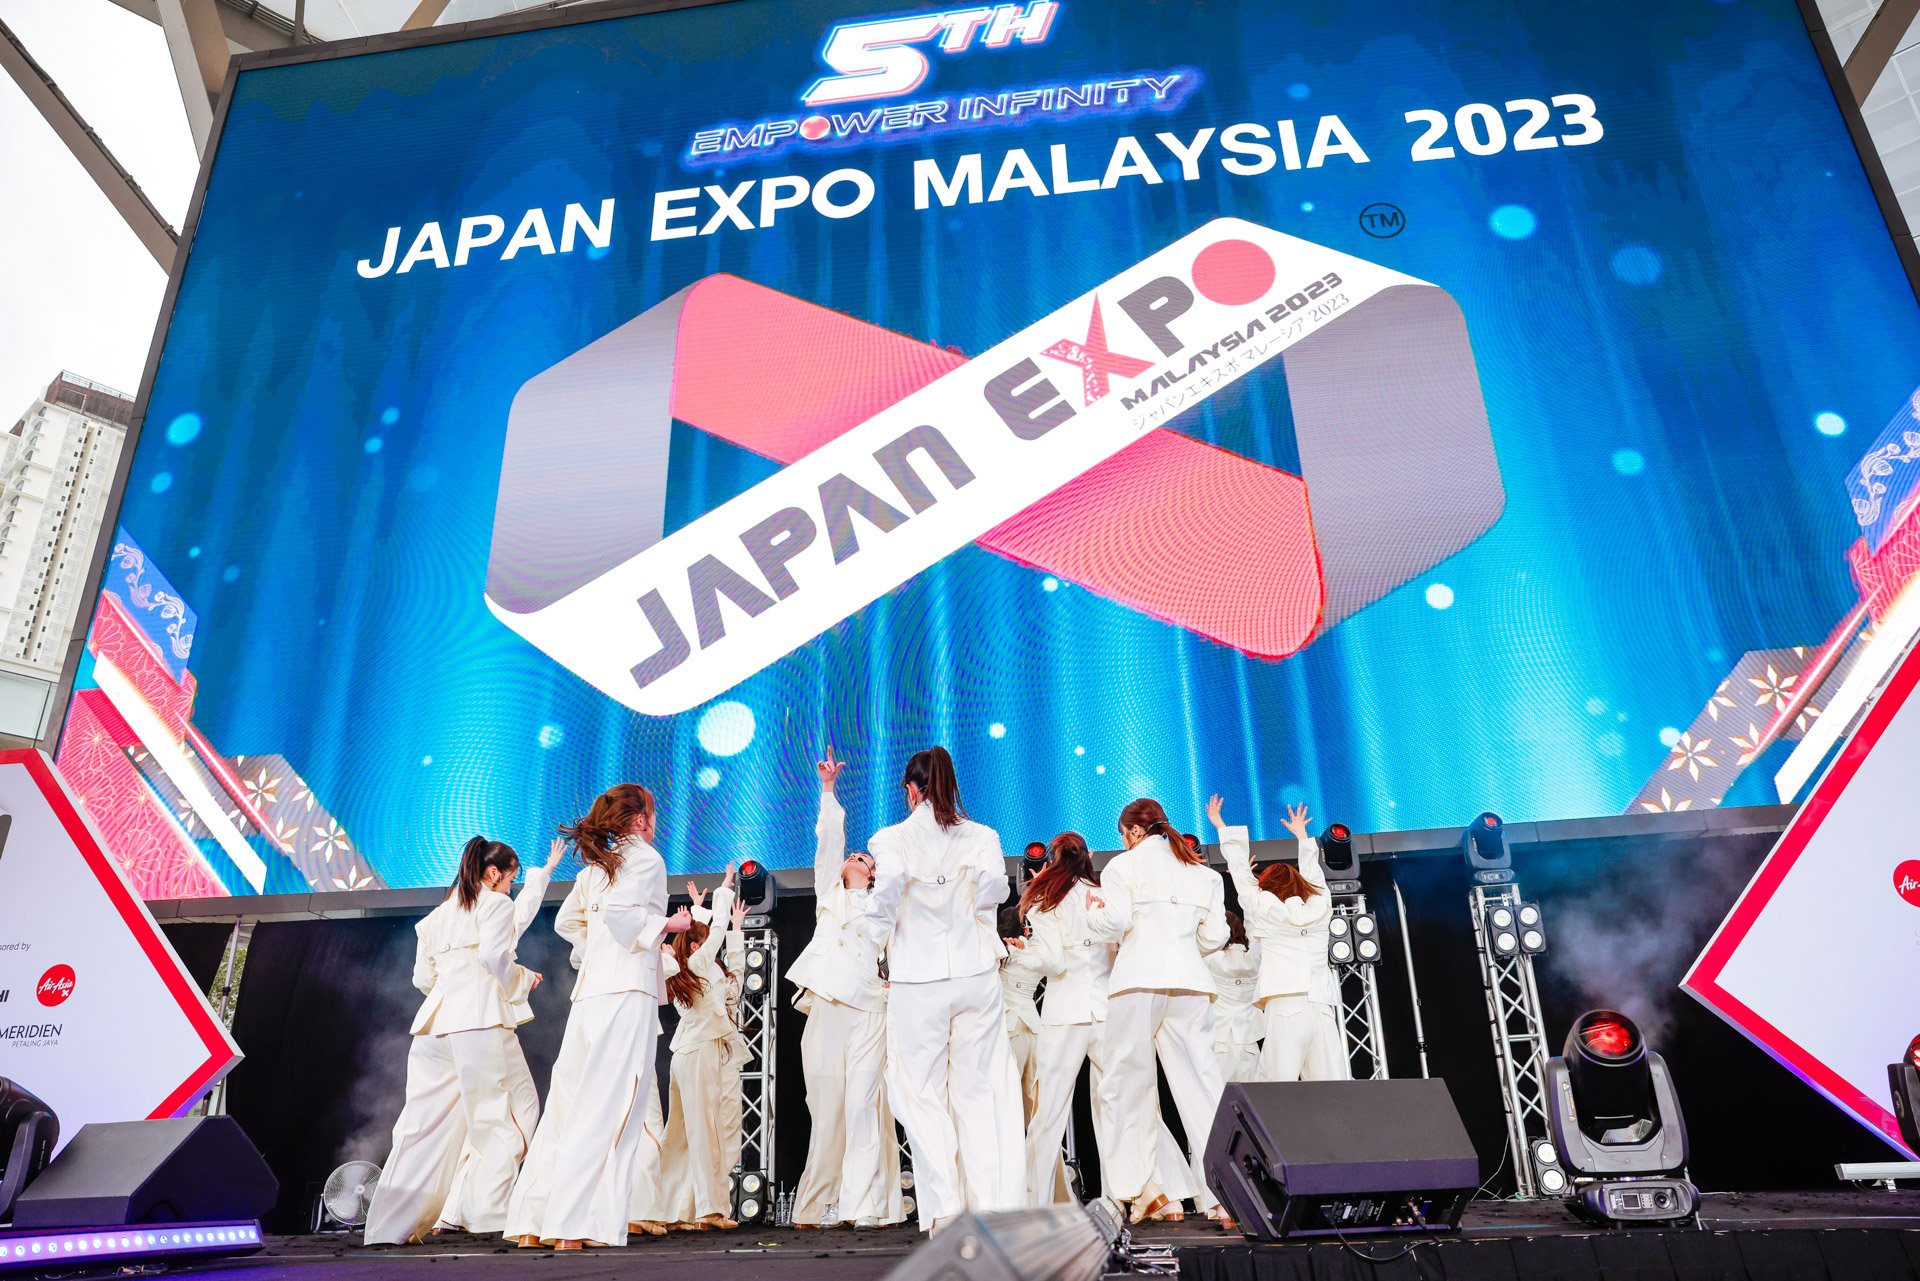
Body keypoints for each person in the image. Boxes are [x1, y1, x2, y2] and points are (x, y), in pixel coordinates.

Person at [504, 784, 691, 1251]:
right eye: (652, 812)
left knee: (567, 1106)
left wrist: (600, 953)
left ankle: (534, 1219)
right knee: (611, 1108)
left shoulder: (600, 866)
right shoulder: (645, 859)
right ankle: (573, 1224)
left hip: (592, 993)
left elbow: (581, 922)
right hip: (625, 992)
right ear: (639, 819)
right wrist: (669, 925)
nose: (656, 820)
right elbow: (621, 916)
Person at [864, 746, 1026, 1232]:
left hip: (919, 979)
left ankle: (946, 1208)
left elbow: (890, 882)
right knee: (981, 1089)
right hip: (975, 974)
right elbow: (996, 885)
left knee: (920, 1093)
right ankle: (992, 1206)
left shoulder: (891, 837)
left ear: (910, 790)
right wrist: (971, 910)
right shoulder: (983, 835)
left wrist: (875, 933)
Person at [364, 836, 556, 1244]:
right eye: (511, 880)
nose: (510, 889)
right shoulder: (495, 904)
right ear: (493, 873)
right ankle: (486, 1212)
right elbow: (494, 954)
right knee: (511, 1114)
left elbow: (422, 978)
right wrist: (521, 979)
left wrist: (541, 878)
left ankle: (388, 1226)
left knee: (420, 1128)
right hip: (478, 1023)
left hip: (434, 1028)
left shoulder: (440, 914)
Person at [1086, 797, 1232, 1227]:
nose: (1124, 842)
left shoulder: (1122, 867)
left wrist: (1093, 913)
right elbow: (1216, 936)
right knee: (1203, 1086)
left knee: (1125, 1085)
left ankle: (1143, 1189)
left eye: (1123, 835)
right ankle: (1227, 1195)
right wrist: (1183, 949)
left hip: (1138, 980)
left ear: (1134, 831)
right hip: (1190, 983)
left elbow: (1115, 924)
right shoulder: (1204, 874)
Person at [788, 747, 902, 1229]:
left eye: (866, 857)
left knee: (863, 1106)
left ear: (874, 873)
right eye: (854, 855)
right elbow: (829, 841)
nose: (857, 856)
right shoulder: (829, 896)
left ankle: (865, 1205)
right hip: (829, 1005)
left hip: (872, 1008)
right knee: (825, 1106)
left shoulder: (885, 907)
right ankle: (818, 1204)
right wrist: (828, 790)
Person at [637, 868, 746, 1231]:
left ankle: (672, 1209)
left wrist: (708, 916)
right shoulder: (696, 965)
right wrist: (725, 890)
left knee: (681, 1133)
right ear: (698, 948)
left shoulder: (691, 970)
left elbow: (732, 977)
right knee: (704, 1131)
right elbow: (713, 933)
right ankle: (710, 1210)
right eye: (706, 941)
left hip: (688, 1054)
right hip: (699, 1054)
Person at [1212, 796, 1346, 1082]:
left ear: (1267, 887)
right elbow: (1315, 877)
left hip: (1285, 1008)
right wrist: (1303, 837)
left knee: (1276, 1089)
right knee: (1333, 1090)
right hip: (1321, 1008)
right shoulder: (1320, 907)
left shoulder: (1264, 907)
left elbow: (1241, 875)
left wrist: (1222, 826)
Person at [999, 903, 1043, 1125]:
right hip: (1033, 1027)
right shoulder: (1035, 951)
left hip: (1010, 1027)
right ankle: (1041, 1148)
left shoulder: (1002, 951)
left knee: (1006, 1096)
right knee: (1034, 1099)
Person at [1207, 910, 1263, 1083]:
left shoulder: (1210, 958)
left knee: (1217, 1096)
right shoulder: (1256, 960)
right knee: (1251, 1097)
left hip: (1219, 1038)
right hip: (1249, 1041)